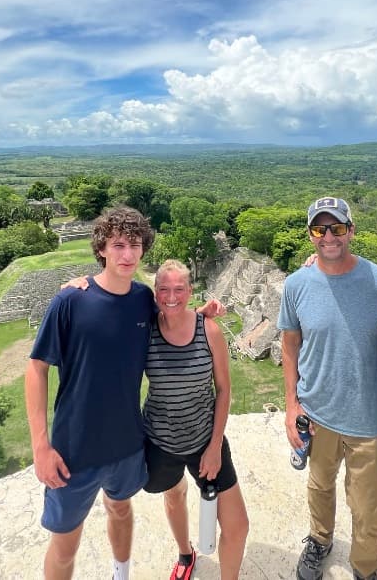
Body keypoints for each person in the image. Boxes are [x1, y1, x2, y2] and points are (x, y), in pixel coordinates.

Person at [25, 206, 156, 580]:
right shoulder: (71, 301)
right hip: (73, 451)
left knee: (120, 509)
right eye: (118, 245)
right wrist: (41, 446)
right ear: (101, 249)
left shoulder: (143, 300)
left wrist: (207, 312)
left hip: (127, 443)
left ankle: (121, 573)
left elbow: (179, 315)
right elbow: (36, 369)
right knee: (65, 545)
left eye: (134, 245)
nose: (127, 255)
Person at [278, 196, 377, 580]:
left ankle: (365, 569)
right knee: (319, 487)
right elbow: (290, 343)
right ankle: (320, 539)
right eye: (319, 229)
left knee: (368, 507)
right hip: (317, 413)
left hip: (368, 415)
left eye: (337, 228)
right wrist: (291, 404)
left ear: (351, 231)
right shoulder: (297, 284)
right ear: (311, 235)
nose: (328, 237)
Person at [144, 259, 248, 580]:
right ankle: (185, 554)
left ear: (190, 291)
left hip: (205, 440)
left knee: (237, 526)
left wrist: (215, 445)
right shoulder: (145, 331)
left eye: (179, 289)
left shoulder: (210, 331)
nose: (171, 296)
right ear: (155, 292)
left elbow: (224, 390)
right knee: (174, 495)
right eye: (164, 289)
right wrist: (77, 288)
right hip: (160, 442)